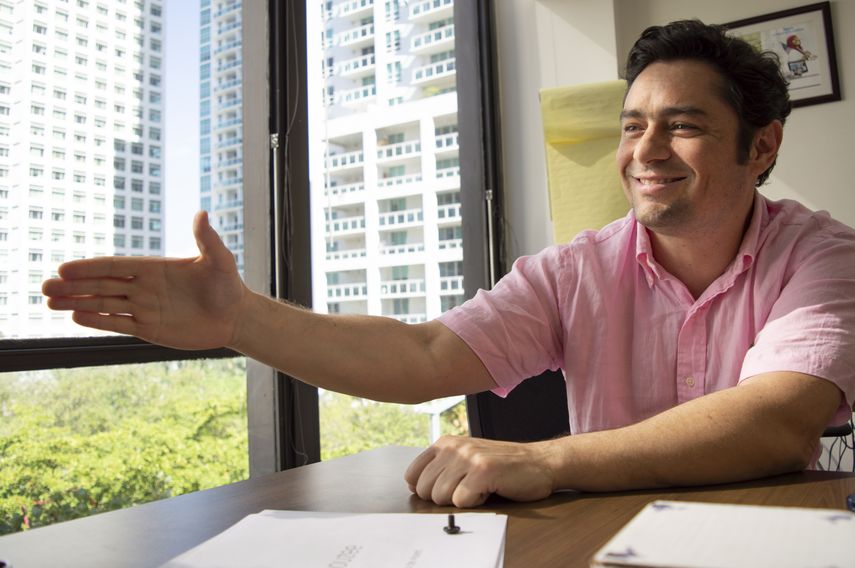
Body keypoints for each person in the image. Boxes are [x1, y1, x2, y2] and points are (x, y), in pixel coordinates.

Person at [42, 20, 855, 508]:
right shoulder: (573, 271)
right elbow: (426, 354)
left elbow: (774, 419)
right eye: (631, 125)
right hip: (606, 540)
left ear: (761, 146)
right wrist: (241, 319)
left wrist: (544, 458)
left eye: (681, 126)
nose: (644, 151)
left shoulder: (824, 256)